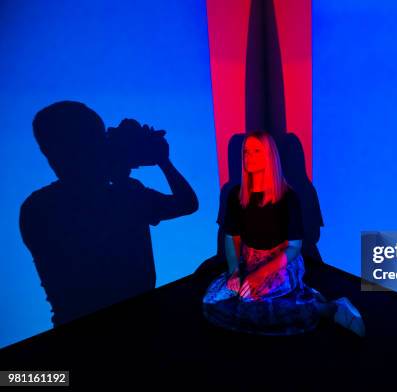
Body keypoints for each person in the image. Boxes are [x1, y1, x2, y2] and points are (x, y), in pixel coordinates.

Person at [20, 101, 199, 326]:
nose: (106, 144)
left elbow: (187, 204)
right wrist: (160, 162)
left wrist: (122, 171)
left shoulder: (36, 207)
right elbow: (186, 204)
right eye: (99, 139)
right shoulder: (124, 195)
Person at [202, 131, 365, 336]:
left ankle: (329, 308)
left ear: (270, 155)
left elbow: (294, 248)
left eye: (256, 151)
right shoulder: (235, 194)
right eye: (246, 151)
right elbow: (231, 236)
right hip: (249, 261)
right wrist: (235, 270)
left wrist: (261, 274)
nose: (249, 156)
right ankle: (300, 300)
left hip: (280, 261)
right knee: (213, 300)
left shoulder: (289, 197)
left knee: (252, 301)